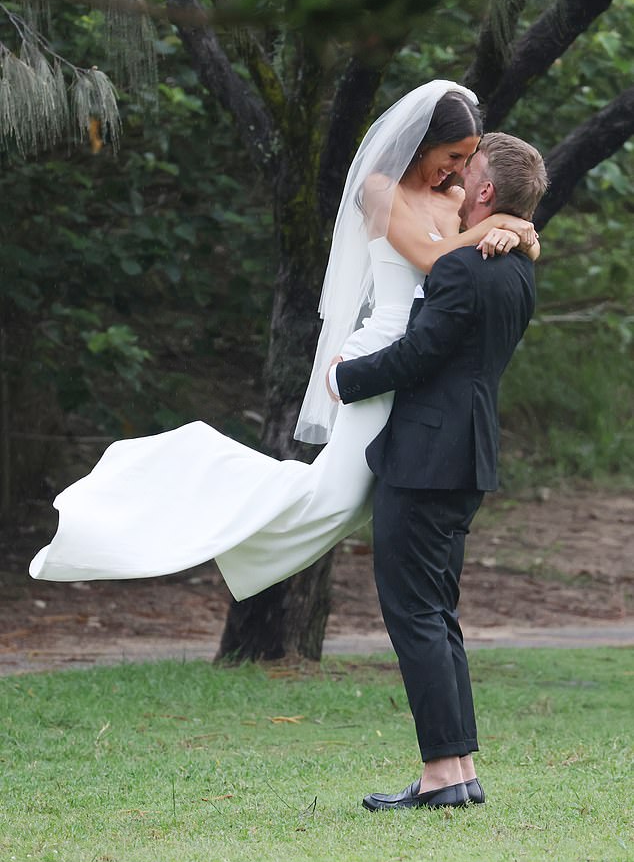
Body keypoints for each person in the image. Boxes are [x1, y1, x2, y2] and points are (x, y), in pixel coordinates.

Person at [29, 81, 535, 600]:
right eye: (453, 155)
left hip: (416, 362)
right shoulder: (380, 189)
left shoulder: (451, 199)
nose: (456, 171)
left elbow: (471, 253)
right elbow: (435, 261)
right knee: (333, 499)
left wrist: (515, 230)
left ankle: (226, 531)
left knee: (353, 505)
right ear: (423, 142)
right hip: (379, 355)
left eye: (467, 160)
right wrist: (497, 223)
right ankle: (183, 473)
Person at [328, 132, 549, 810]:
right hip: (467, 453)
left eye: (469, 172)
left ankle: (440, 776)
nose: (457, 182)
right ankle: (456, 772)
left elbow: (418, 355)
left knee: (414, 615)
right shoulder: (515, 269)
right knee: (436, 614)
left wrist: (346, 376)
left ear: (484, 191)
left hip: (427, 457)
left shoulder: (461, 269)